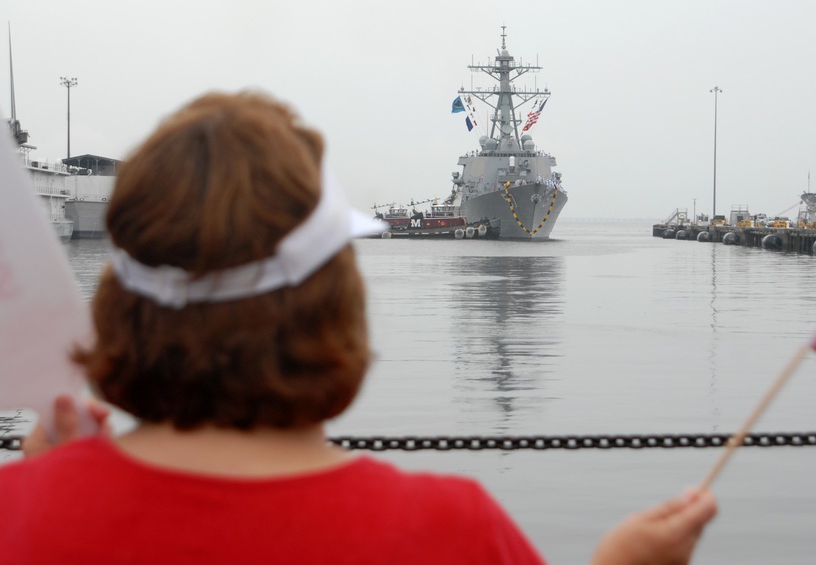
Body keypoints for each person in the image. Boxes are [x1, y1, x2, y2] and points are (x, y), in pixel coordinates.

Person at [0, 91, 716, 564]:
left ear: (119, 307)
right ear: (337, 303)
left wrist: (46, 493)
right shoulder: (451, 529)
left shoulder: (16, 513)